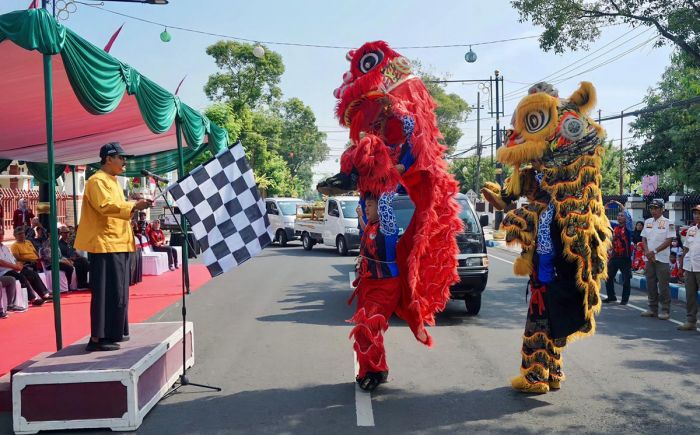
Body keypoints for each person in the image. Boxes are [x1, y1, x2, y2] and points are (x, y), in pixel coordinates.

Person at [74, 142, 151, 352]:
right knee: (107, 292)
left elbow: (118, 210)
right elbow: (105, 207)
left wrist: (133, 207)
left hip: (118, 242)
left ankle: (115, 332)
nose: (125, 161)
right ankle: (98, 338)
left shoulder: (114, 181)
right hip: (104, 244)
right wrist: (134, 205)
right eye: (121, 157)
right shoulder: (97, 181)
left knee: (119, 291)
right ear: (109, 158)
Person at [640, 199, 675, 320]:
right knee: (650, 284)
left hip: (662, 258)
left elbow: (669, 240)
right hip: (649, 258)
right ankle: (652, 308)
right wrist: (647, 252)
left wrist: (654, 252)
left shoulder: (669, 223)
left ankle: (665, 310)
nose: (653, 211)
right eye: (652, 208)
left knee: (663, 285)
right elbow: (644, 238)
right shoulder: (648, 221)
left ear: (662, 209)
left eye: (656, 208)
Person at [0, 228, 50, 305]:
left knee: (32, 274)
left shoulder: (5, 247)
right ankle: (33, 299)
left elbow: (13, 259)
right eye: (0, 234)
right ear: (15, 236)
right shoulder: (14, 245)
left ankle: (45, 295)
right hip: (5, 271)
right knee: (21, 277)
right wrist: (15, 266)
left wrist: (18, 265)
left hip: (15, 268)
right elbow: (2, 262)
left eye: (2, 233)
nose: (1, 235)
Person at [678, 204, 700, 331]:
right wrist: (681, 265)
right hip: (689, 267)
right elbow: (685, 249)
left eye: (699, 214)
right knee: (690, 295)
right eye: (695, 213)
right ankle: (691, 320)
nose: (697, 216)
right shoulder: (691, 230)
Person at [605, 207, 633, 305]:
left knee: (626, 280)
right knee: (608, 277)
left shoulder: (628, 228)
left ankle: (624, 300)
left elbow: (629, 218)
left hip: (625, 258)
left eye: (622, 216)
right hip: (614, 256)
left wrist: (622, 207)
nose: (620, 217)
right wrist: (602, 208)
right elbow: (604, 220)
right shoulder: (614, 227)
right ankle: (611, 296)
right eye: (619, 215)